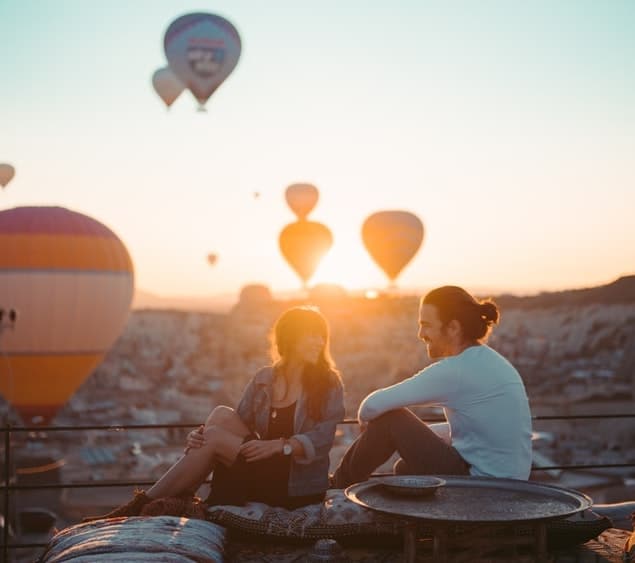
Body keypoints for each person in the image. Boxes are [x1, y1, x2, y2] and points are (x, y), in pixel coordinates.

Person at [84, 306, 345, 520]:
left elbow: (324, 438)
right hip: (262, 465)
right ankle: (174, 497)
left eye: (322, 335)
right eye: (311, 334)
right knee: (219, 415)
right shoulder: (265, 378)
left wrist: (282, 446)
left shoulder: (328, 382)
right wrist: (201, 438)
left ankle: (139, 507)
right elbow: (237, 422)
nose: (319, 342)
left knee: (216, 438)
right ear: (290, 337)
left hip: (295, 483)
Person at [332, 285, 532, 488]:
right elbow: (478, 429)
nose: (420, 334)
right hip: (510, 487)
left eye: (426, 325)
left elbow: (372, 406)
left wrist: (370, 422)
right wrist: (416, 434)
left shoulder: (456, 370)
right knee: (405, 469)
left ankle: (336, 487)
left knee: (391, 419)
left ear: (453, 328)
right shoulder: (491, 361)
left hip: (481, 487)